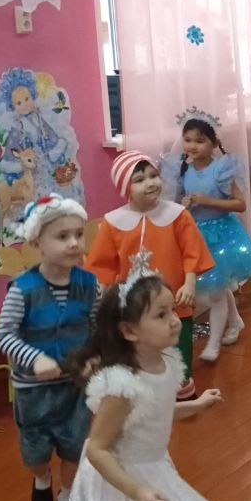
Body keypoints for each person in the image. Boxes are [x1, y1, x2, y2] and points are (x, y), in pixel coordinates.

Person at [53, 272, 251, 501]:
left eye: (172, 310)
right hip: (119, 479)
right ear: (129, 331)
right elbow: (97, 449)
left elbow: (154, 412)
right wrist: (136, 492)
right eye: (161, 315)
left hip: (154, 468)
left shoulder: (166, 362)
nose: (175, 321)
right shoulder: (123, 386)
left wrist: (195, 405)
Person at [0, 195, 98, 501]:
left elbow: (97, 327)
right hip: (34, 391)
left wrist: (95, 357)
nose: (74, 243)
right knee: (36, 454)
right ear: (37, 242)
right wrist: (35, 359)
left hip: (76, 386)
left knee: (75, 447)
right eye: (62, 236)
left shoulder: (89, 284)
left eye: (78, 234)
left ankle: (67, 495)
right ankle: (41, 478)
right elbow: (2, 336)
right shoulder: (22, 290)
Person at [86, 150, 215, 400]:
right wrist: (104, 299)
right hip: (133, 307)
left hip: (173, 302)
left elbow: (192, 252)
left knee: (177, 346)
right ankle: (146, 395)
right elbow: (104, 265)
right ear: (125, 188)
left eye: (153, 175)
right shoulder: (113, 222)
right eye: (139, 179)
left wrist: (189, 283)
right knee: (137, 351)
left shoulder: (178, 215)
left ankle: (181, 395)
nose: (150, 183)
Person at [174, 112, 251, 361]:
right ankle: (235, 321)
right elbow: (179, 203)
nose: (192, 145)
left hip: (223, 236)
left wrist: (208, 201)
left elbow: (240, 204)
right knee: (217, 286)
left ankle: (213, 345)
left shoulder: (221, 170)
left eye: (200, 140)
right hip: (197, 236)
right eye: (188, 140)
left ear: (213, 143)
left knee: (215, 291)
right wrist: (185, 206)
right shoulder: (183, 170)